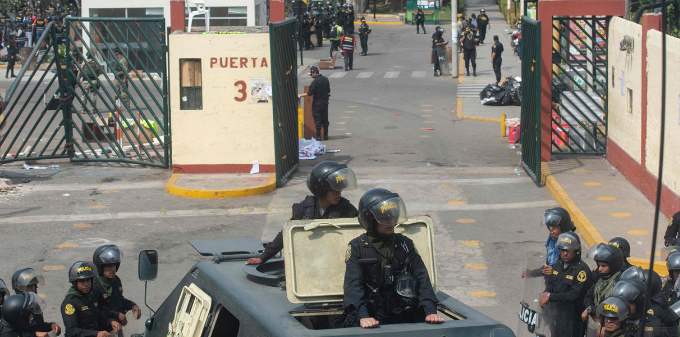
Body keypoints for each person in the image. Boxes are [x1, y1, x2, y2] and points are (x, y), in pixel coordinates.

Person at [343, 188, 445, 328]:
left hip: (403, 313)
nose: (391, 222)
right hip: (371, 314)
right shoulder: (357, 247)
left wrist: (430, 311)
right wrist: (363, 316)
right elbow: (353, 286)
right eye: (384, 218)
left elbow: (422, 278)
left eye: (392, 217)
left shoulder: (405, 244)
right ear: (370, 220)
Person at [246, 161, 358, 265]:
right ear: (321, 190)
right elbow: (286, 233)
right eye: (334, 190)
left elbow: (361, 236)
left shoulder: (348, 210)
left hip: (335, 262)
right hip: (307, 261)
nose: (339, 193)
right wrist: (263, 257)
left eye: (340, 189)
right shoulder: (303, 208)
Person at [539, 232, 591, 337]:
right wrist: (546, 292)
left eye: (568, 250)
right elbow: (551, 283)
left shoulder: (582, 271)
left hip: (572, 319)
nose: (565, 253)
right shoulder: (558, 265)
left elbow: (574, 295)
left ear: (575, 251)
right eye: (562, 250)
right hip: (557, 316)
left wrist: (550, 296)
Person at [61, 261, 121, 337]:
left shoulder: (91, 296)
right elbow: (72, 331)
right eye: (82, 281)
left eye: (88, 280)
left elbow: (98, 316)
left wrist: (111, 322)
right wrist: (96, 334)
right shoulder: (70, 303)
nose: (86, 284)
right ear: (75, 282)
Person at [92, 245, 142, 335]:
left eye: (114, 265)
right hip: (103, 330)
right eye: (108, 266)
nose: (112, 269)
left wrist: (132, 305)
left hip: (117, 328)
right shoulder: (95, 286)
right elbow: (97, 312)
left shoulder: (116, 280)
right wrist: (116, 316)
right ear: (100, 266)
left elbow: (119, 300)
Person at [11, 268, 61, 336]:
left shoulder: (34, 304)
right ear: (19, 289)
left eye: (33, 285)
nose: (32, 288)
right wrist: (35, 334)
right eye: (28, 286)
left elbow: (40, 326)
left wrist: (51, 325)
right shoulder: (15, 308)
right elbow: (14, 333)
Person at [582, 243, 624, 322]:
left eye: (603, 266)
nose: (600, 269)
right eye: (599, 265)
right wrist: (589, 307)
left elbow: (610, 305)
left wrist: (591, 310)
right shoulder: (600, 279)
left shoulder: (619, 283)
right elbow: (588, 296)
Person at [298, 66, 331, 140]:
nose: (310, 75)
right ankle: (325, 135)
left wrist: (299, 95)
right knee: (325, 119)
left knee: (317, 119)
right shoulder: (325, 79)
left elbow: (309, 93)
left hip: (317, 103)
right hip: (325, 102)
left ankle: (318, 136)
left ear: (314, 73)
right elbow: (328, 90)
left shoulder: (315, 82)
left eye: (311, 74)